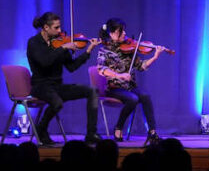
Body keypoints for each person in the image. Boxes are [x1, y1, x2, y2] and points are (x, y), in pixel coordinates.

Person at [26, 12, 101, 145]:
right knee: (57, 102)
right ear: (45, 27)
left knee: (92, 91)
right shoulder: (34, 42)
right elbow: (45, 62)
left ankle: (91, 134)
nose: (60, 31)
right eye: (56, 28)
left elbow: (71, 67)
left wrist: (88, 51)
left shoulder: (60, 42)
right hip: (40, 86)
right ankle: (41, 128)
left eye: (60, 27)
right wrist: (63, 47)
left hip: (57, 86)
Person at [96, 18, 164, 144]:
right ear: (111, 34)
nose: (124, 34)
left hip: (129, 87)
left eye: (124, 31)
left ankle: (152, 132)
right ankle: (118, 128)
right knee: (133, 99)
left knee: (145, 96)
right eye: (120, 32)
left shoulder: (129, 49)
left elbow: (141, 66)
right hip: (113, 88)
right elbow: (102, 69)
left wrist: (155, 57)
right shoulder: (104, 51)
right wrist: (119, 75)